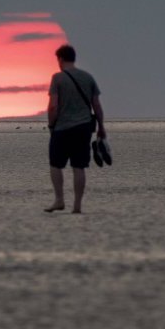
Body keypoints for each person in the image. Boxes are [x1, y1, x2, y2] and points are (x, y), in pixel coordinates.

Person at [45, 44, 106, 214]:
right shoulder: (88, 77)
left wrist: (51, 125)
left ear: (61, 59)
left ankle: (59, 200)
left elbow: (53, 106)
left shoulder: (57, 78)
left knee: (56, 164)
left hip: (62, 128)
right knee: (79, 166)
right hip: (84, 128)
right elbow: (97, 105)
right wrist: (101, 127)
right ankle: (77, 205)